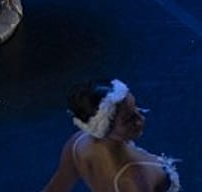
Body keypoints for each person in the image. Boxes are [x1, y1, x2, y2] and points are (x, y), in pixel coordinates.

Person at [39, 79, 182, 192]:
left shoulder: (77, 144)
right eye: (128, 120)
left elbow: (56, 189)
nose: (141, 119)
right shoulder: (135, 179)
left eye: (136, 108)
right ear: (103, 128)